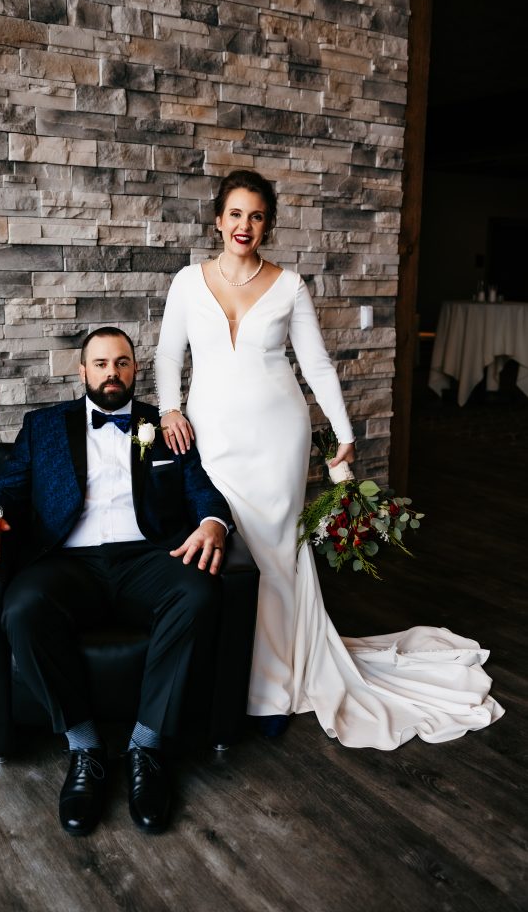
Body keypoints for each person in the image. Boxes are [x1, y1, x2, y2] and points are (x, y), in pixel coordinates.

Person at [155, 168, 504, 749]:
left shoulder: (290, 285)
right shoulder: (187, 283)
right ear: (218, 219)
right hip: (212, 436)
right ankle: (228, 671)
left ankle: (273, 687)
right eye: (236, 214)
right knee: (228, 548)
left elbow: (316, 366)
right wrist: (170, 410)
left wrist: (344, 432)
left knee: (276, 556)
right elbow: (168, 356)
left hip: (278, 437)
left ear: (268, 224)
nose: (245, 226)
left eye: (257, 216)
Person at [0, 327, 233, 836]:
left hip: (146, 556)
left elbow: (202, 491)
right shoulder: (43, 426)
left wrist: (213, 523)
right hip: (69, 562)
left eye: (124, 363)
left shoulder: (165, 426)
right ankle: (85, 748)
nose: (114, 372)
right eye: (102, 363)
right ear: (83, 371)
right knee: (21, 608)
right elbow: (7, 488)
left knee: (199, 591)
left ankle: (144, 750)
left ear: (135, 370)